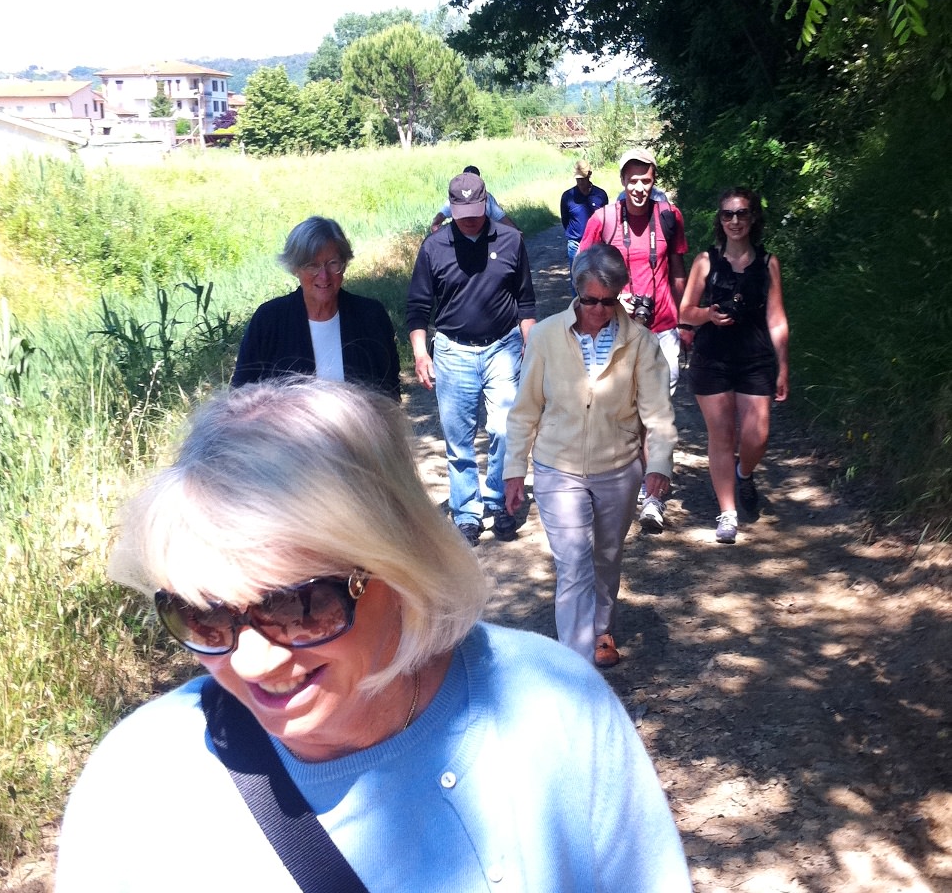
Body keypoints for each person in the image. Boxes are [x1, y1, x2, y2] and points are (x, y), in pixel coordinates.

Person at [55, 380, 692, 892]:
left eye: (299, 606)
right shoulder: (139, 783)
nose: (251, 661)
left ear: (400, 568)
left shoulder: (555, 711)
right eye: (205, 614)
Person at [503, 246, 676, 669]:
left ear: (619, 295)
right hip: (556, 468)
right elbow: (525, 409)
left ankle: (601, 629)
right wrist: (513, 470)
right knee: (574, 561)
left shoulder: (641, 342)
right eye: (590, 300)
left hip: (618, 469)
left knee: (607, 557)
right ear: (576, 292)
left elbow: (658, 413)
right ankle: (576, 662)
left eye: (608, 300)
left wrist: (659, 465)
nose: (599, 309)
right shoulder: (544, 336)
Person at [408, 171, 536, 546]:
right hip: (452, 350)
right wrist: (420, 352)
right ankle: (467, 512)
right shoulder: (434, 247)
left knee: (502, 427)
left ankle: (499, 502)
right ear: (450, 208)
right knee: (458, 439)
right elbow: (418, 307)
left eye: (475, 209)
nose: (469, 218)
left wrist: (532, 341)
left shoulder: (511, 241)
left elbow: (525, 300)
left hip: (502, 346)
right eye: (460, 211)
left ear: (486, 203)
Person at [578, 147, 687, 534]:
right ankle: (618, 485)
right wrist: (611, 295)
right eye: (632, 180)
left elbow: (677, 270)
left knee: (657, 416)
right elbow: (581, 271)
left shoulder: (670, 218)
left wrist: (685, 320)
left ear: (654, 179)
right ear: (622, 181)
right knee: (619, 412)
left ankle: (653, 497)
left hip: (661, 329)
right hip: (617, 331)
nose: (639, 187)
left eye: (646, 179)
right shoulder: (603, 220)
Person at [679, 188, 790, 544]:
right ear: (720, 219)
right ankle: (727, 514)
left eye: (741, 213)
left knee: (757, 435)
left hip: (755, 358)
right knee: (722, 435)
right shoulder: (705, 261)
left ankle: (744, 473)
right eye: (727, 214)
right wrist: (708, 315)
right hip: (712, 358)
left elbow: (776, 318)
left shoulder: (768, 263)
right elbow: (685, 313)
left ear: (753, 217)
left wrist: (783, 363)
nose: (735, 221)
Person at [231, 216, 400, 399]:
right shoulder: (269, 320)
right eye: (312, 265)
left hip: (361, 428)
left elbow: (389, 393)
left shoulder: (371, 316)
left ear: (344, 264)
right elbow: (241, 394)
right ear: (295, 268)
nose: (323, 276)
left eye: (333, 263)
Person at [559, 158, 609, 291]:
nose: (580, 182)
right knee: (576, 278)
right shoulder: (567, 196)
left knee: (598, 277)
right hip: (575, 243)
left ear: (589, 175)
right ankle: (577, 307)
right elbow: (565, 219)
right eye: (578, 179)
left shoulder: (600, 195)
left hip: (596, 244)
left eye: (583, 178)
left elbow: (606, 220)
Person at [429, 164, 519, 232]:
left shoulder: (487, 197)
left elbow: (502, 218)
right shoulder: (455, 198)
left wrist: (516, 232)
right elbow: (437, 221)